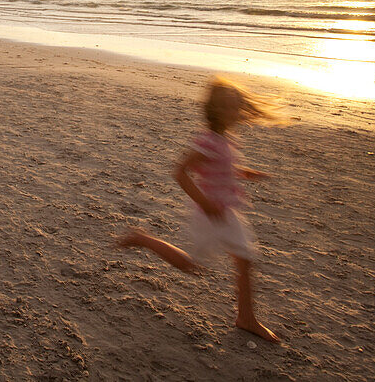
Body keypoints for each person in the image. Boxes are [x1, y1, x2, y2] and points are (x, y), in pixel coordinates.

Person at [117, 77, 283, 343]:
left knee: (245, 259)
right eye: (232, 108)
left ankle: (246, 318)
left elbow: (221, 168)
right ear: (216, 111)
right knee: (190, 265)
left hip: (226, 212)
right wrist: (205, 203)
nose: (238, 113)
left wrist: (245, 173)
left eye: (238, 107)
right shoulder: (208, 141)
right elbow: (180, 172)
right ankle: (143, 239)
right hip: (212, 214)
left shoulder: (224, 139)